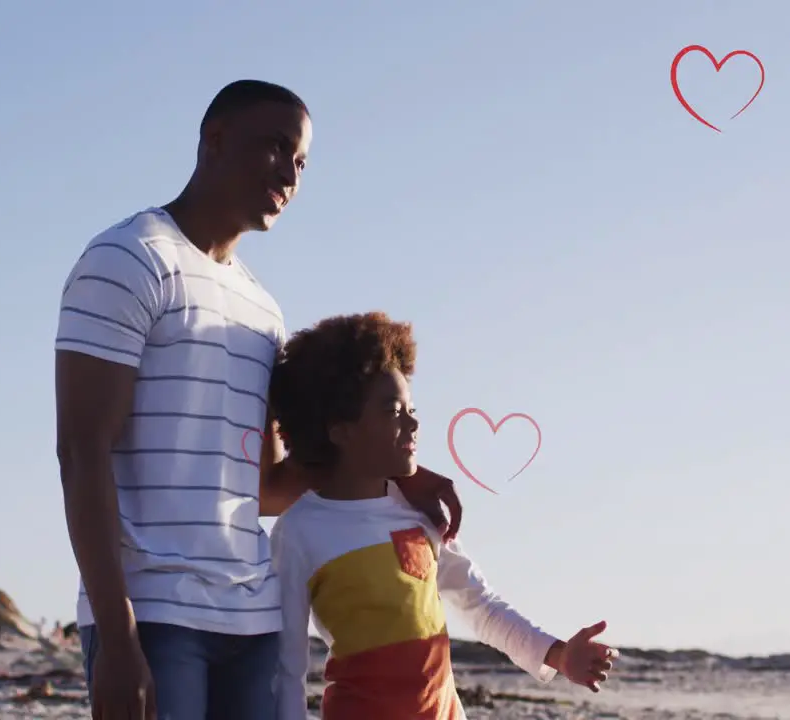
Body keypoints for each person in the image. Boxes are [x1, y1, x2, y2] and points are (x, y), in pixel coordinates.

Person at [53, 80, 465, 720]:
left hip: (254, 617)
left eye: (300, 162)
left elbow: (267, 486)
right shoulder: (129, 259)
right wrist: (116, 633)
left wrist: (398, 473)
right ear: (213, 140)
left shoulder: (263, 311)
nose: (289, 173)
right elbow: (81, 450)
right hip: (155, 614)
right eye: (275, 147)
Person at [268, 311, 619, 720]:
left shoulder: (418, 512)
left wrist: (559, 655)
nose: (414, 422)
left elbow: (480, 605)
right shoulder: (299, 531)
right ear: (339, 430)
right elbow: (285, 669)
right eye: (392, 410)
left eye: (411, 408)